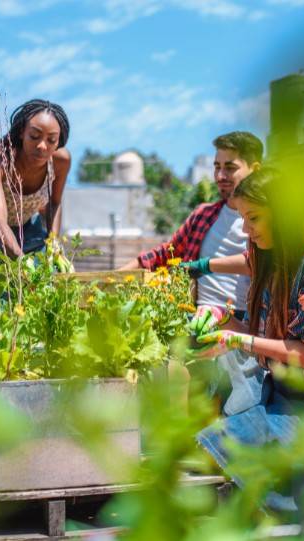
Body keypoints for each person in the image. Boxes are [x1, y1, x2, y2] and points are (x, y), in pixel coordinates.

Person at [191, 167, 304, 510]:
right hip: (281, 393)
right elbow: (259, 331)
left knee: (248, 465)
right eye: (243, 218)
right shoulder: (273, 261)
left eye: (254, 218)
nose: (246, 229)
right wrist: (221, 319)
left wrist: (236, 341)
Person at [122, 132, 263, 415]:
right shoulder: (204, 215)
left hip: (241, 323)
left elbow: (268, 263)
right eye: (216, 166)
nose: (221, 175)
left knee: (218, 398)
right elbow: (165, 254)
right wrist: (116, 275)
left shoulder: (263, 220)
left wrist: (205, 268)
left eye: (230, 167)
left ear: (254, 168)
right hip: (196, 318)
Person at [0, 99, 71, 259]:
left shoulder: (61, 161)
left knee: (47, 275)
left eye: (51, 140)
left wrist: (54, 244)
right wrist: (22, 263)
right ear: (21, 132)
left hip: (25, 226)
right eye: (34, 136)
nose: (42, 146)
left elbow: (54, 204)